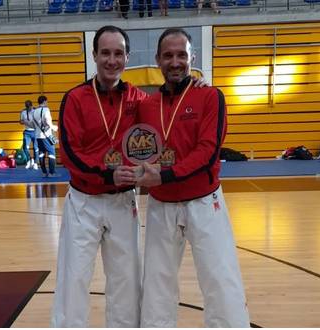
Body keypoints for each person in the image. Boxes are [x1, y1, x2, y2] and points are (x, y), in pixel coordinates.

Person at [137, 28, 250, 327]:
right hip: (162, 205)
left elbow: (208, 151)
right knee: (157, 284)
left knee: (220, 279)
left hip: (203, 202)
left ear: (192, 58)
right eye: (168, 55)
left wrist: (166, 174)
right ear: (157, 60)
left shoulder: (210, 96)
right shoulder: (145, 105)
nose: (175, 62)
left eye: (181, 55)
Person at [50, 25, 147, 328]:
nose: (111, 59)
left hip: (122, 202)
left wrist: (193, 87)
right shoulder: (75, 98)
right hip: (84, 202)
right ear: (94, 55)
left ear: (127, 58)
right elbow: (69, 153)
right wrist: (107, 173)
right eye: (105, 52)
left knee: (126, 279)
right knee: (73, 277)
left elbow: (166, 120)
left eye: (118, 53)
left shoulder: (139, 99)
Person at [32, 95, 58, 178]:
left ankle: (44, 172)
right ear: (44, 101)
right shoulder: (46, 110)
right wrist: (54, 127)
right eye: (46, 101)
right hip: (46, 135)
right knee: (51, 153)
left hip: (38, 135)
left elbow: (33, 124)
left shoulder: (34, 111)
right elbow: (48, 122)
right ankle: (51, 173)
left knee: (41, 153)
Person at [19, 100, 39, 170]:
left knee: (36, 148)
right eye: (27, 107)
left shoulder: (36, 111)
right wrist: (25, 122)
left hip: (35, 131)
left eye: (29, 107)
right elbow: (20, 121)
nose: (28, 109)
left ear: (31, 105)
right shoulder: (23, 112)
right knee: (25, 147)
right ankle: (29, 160)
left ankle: (36, 163)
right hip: (27, 132)